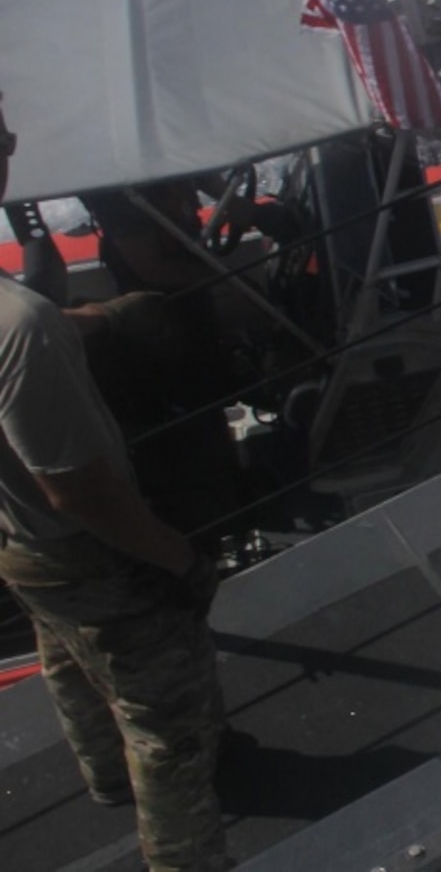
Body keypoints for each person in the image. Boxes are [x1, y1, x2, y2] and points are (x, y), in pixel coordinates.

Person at [0, 92, 232, 872]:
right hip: (81, 546)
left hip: (18, 545)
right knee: (171, 723)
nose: (13, 137)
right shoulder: (20, 327)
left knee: (66, 654)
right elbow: (82, 492)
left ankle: (103, 778)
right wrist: (177, 557)